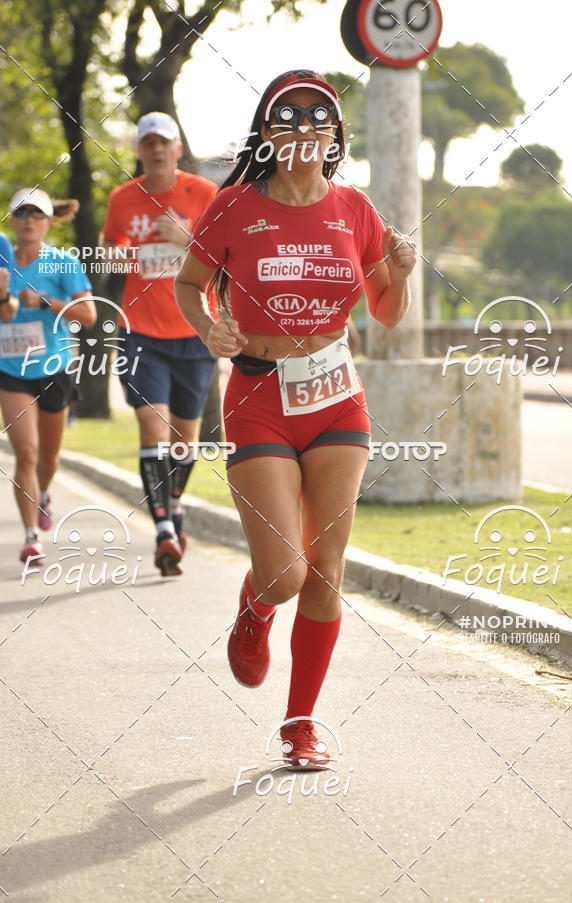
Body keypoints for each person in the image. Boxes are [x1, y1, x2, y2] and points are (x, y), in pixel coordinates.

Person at [175, 70, 417, 766]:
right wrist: (210, 326)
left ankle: (300, 725)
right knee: (284, 573)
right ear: (268, 132)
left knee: (327, 569)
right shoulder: (232, 206)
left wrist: (399, 274)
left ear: (336, 135)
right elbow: (190, 285)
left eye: (320, 118)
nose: (304, 128)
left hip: (337, 396)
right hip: (258, 397)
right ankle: (256, 609)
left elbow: (387, 314)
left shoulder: (355, 210)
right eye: (288, 117)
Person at [102, 111, 218, 577]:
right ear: (139, 151)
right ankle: (165, 531)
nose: (155, 150)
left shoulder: (205, 194)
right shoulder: (123, 198)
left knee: (184, 441)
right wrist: (119, 252)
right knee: (154, 430)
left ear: (177, 149)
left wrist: (187, 237)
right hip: (140, 331)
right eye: (147, 143)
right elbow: (111, 247)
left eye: (163, 142)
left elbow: (224, 253)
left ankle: (174, 502)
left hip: (195, 330)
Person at [0, 188, 95, 562]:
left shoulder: (62, 263)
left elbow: (88, 315)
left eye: (36, 215)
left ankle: (43, 494)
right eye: (21, 214)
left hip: (53, 367)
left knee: (48, 459)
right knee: (25, 451)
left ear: (47, 221)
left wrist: (41, 301)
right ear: (12, 221)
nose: (29, 221)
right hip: (10, 368)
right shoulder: (2, 262)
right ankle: (29, 537)